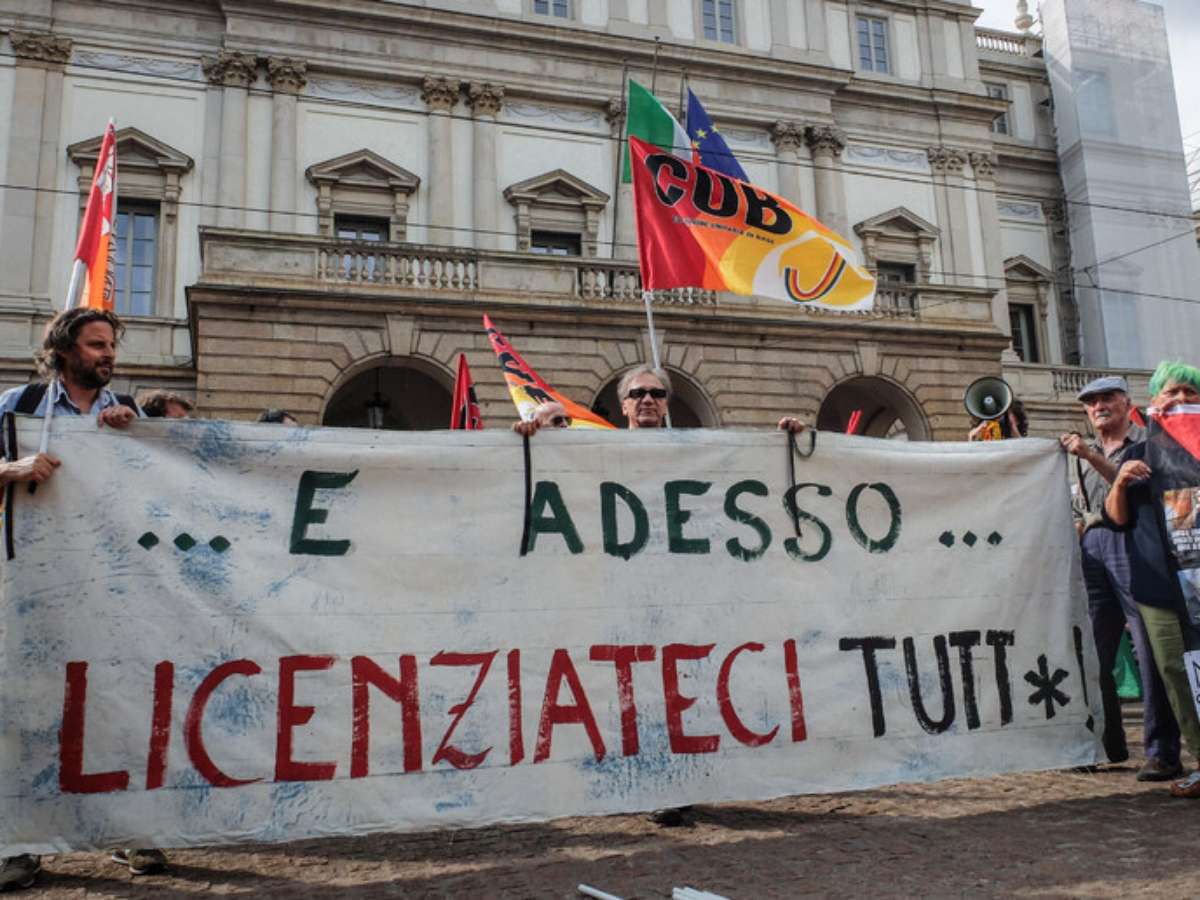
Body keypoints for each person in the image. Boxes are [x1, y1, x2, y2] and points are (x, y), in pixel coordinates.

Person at [0, 309, 167, 890]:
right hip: (32, 586)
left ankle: (128, 830)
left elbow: (160, 492)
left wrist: (137, 439)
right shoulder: (18, 406)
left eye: (111, 345)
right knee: (27, 711)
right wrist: (11, 467)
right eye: (96, 345)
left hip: (113, 586)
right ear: (65, 349)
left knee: (118, 705)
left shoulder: (127, 411)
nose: (108, 354)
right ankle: (19, 843)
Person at [1060, 376, 1181, 778]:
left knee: (1150, 653)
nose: (1099, 406)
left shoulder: (1149, 443)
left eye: (1107, 398)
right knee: (1093, 651)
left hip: (1135, 548)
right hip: (1092, 551)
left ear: (1127, 403)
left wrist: (1089, 456)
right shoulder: (1079, 453)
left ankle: (1163, 752)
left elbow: (1133, 490)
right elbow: (1075, 506)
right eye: (1091, 401)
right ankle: (1103, 744)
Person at [1104, 361, 1200, 798]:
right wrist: (1120, 482)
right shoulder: (1138, 454)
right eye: (1171, 393)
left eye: (1189, 393)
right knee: (1175, 672)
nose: (1180, 399)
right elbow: (1116, 519)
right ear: (1154, 402)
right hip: (1157, 584)